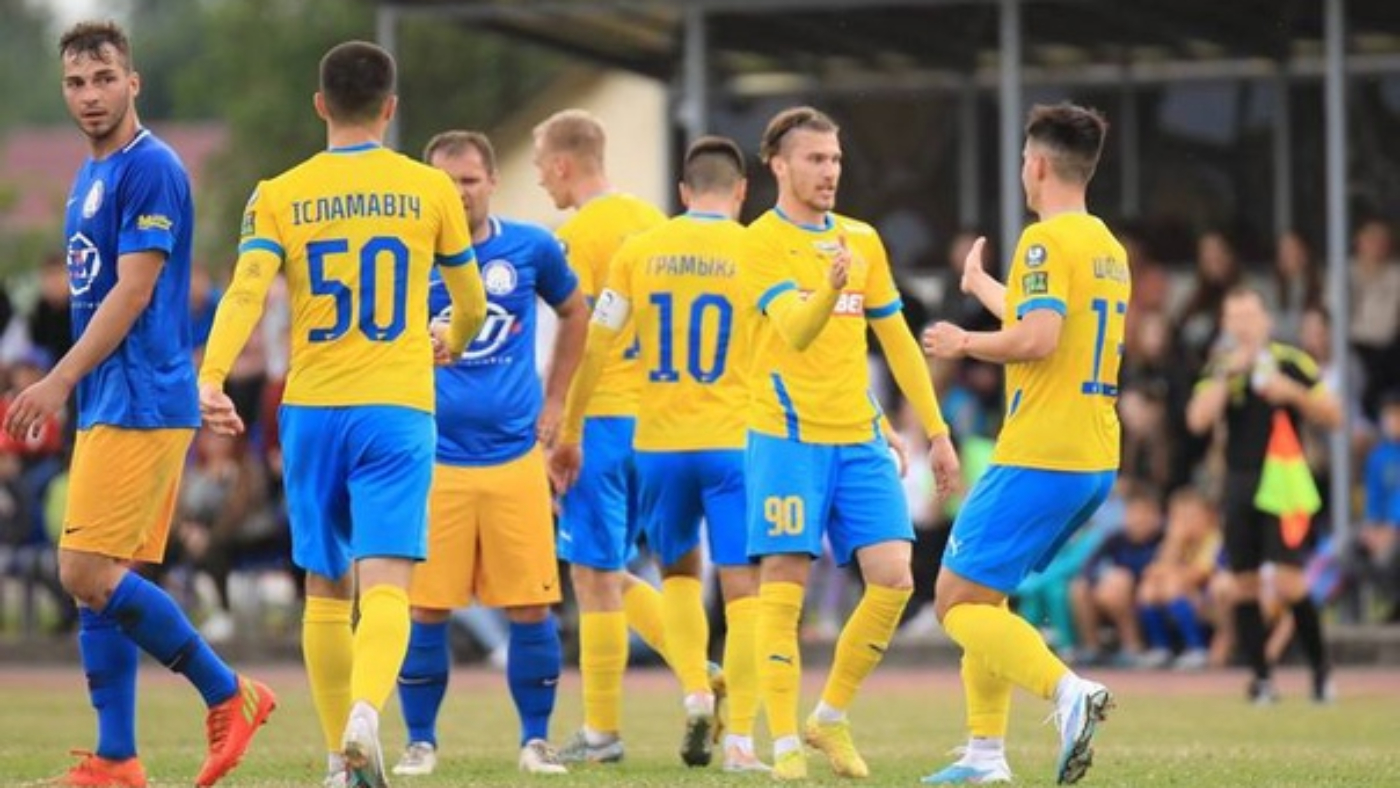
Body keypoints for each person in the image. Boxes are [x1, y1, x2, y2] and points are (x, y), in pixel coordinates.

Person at [197, 41, 487, 788]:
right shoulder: (430, 189)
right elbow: (472, 302)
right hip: (397, 405)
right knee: (387, 580)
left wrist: (212, 375)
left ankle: (337, 759)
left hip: (314, 409)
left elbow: (246, 291)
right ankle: (366, 711)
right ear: (391, 108)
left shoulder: (279, 192)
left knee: (325, 588)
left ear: (320, 105)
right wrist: (452, 339)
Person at [0, 21, 275, 788]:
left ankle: (229, 692)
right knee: (100, 575)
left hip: (137, 403)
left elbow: (135, 292)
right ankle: (118, 757)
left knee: (84, 569)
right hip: (121, 398)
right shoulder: (91, 177)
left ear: (133, 82)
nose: (90, 95)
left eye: (104, 79)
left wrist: (58, 380)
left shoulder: (150, 167)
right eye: (76, 82)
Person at [741, 106, 959, 781]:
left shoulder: (862, 239)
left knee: (894, 579)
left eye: (835, 159)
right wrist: (830, 288)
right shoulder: (760, 242)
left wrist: (937, 431)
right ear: (779, 165)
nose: (830, 170)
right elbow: (797, 331)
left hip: (859, 434)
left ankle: (829, 717)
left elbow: (897, 342)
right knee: (785, 585)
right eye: (815, 159)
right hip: (786, 437)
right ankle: (783, 742)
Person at [922, 102, 1126, 785]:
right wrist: (982, 286)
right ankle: (985, 755)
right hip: (1091, 455)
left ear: (1035, 166)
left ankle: (1069, 692)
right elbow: (1052, 318)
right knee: (990, 595)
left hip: (1041, 450)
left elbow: (1038, 338)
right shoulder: (1106, 246)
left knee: (955, 601)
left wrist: (964, 340)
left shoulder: (1043, 241)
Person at [552, 136, 768, 772]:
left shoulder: (641, 251)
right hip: (733, 442)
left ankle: (696, 690)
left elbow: (595, 346)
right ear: (741, 191)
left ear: (682, 192)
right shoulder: (758, 250)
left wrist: (569, 430)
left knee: (676, 574)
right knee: (744, 589)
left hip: (659, 445)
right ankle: (740, 742)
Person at [389, 130, 588, 778]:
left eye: (469, 180)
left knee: (531, 606)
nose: (457, 193)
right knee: (425, 608)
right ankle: (420, 742)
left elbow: (576, 312)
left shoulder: (529, 247)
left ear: (492, 182)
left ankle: (536, 741)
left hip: (514, 457)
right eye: (445, 182)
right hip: (434, 457)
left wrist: (556, 400)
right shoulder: (405, 253)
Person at [532, 108, 698, 764]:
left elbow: (574, 331)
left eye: (541, 166)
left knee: (594, 574)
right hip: (658, 420)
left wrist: (556, 422)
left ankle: (601, 732)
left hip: (598, 418)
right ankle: (699, 675)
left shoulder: (574, 237)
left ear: (563, 164)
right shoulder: (655, 223)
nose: (540, 179)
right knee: (622, 567)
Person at [1185, 286, 1341, 704]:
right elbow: (1197, 420)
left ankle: (1321, 671)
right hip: (1238, 483)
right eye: (1234, 318)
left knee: (1289, 582)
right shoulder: (1221, 367)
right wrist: (1228, 376)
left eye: (1249, 316)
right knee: (1243, 584)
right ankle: (1262, 679)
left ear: (1266, 320)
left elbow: (1334, 415)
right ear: (1225, 324)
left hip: (1284, 485)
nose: (1243, 326)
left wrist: (1291, 394)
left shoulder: (1291, 362)